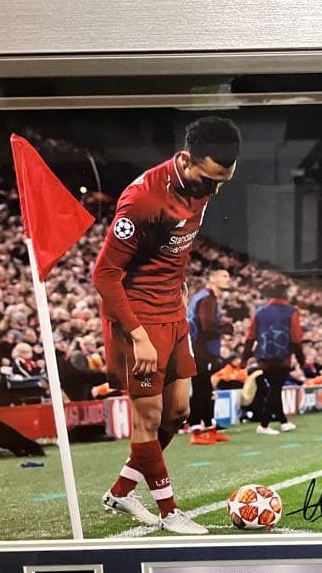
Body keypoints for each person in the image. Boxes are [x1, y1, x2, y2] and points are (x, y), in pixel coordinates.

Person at [93, 116, 241, 534]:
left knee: (177, 413)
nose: (213, 190)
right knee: (148, 417)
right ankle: (169, 512)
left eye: (222, 182)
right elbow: (104, 274)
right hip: (139, 316)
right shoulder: (142, 200)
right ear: (187, 159)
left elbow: (172, 249)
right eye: (208, 180)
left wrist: (180, 287)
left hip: (173, 310)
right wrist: (137, 335)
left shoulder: (203, 188)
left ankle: (121, 491)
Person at [243, 282, 305, 436]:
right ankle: (264, 424)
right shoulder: (291, 312)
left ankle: (283, 421)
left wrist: (245, 358)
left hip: (263, 356)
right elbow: (296, 338)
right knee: (275, 389)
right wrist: (301, 359)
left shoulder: (260, 311)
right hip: (282, 357)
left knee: (274, 388)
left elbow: (250, 336)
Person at [186, 269, 234, 444]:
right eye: (224, 276)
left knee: (205, 389)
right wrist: (225, 328)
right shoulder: (207, 299)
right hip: (201, 350)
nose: (228, 279)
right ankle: (195, 431)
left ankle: (209, 427)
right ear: (212, 279)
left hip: (198, 348)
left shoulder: (204, 297)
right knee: (201, 390)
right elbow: (206, 328)